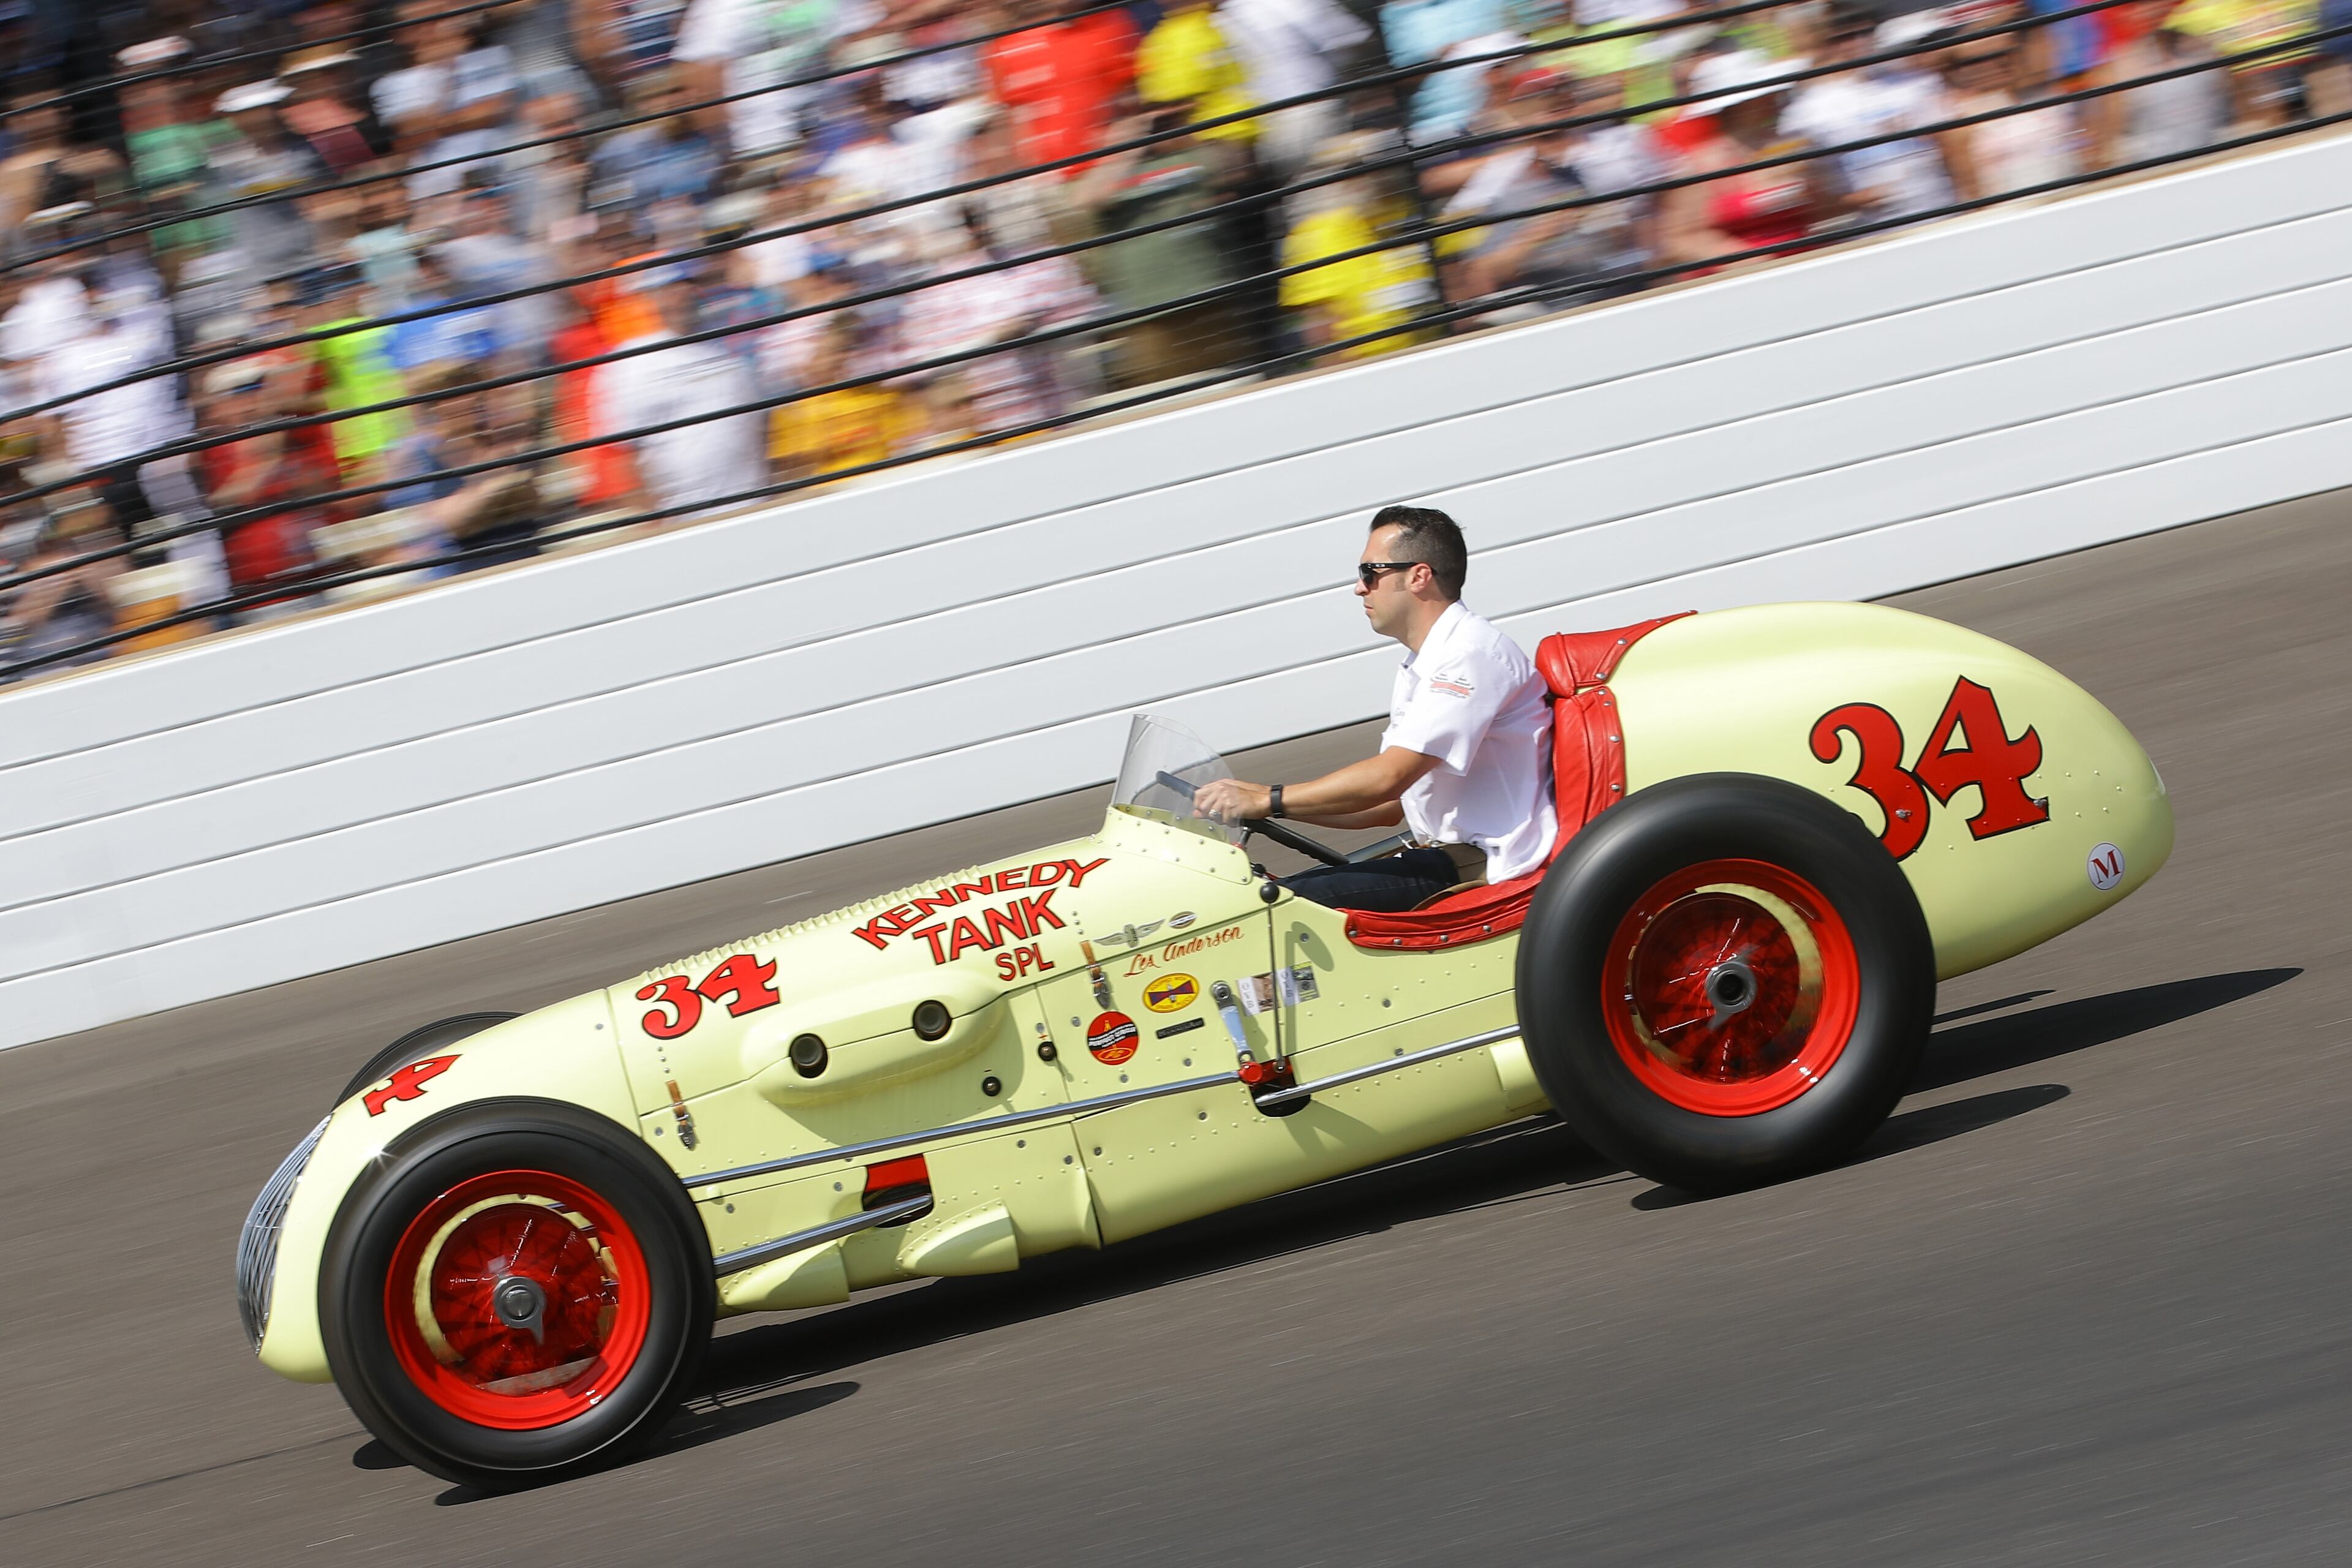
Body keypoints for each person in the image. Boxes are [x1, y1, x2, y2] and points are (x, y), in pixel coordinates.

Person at [1191, 505, 1558, 911]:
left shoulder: (1468, 657)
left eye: (1371, 572)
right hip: (1447, 857)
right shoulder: (1428, 662)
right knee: (1268, 899)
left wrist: (1271, 800)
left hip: (1485, 867)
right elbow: (1384, 809)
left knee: (1273, 915)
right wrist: (1263, 800)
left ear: (1419, 576)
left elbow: (1386, 780)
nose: (1360, 587)